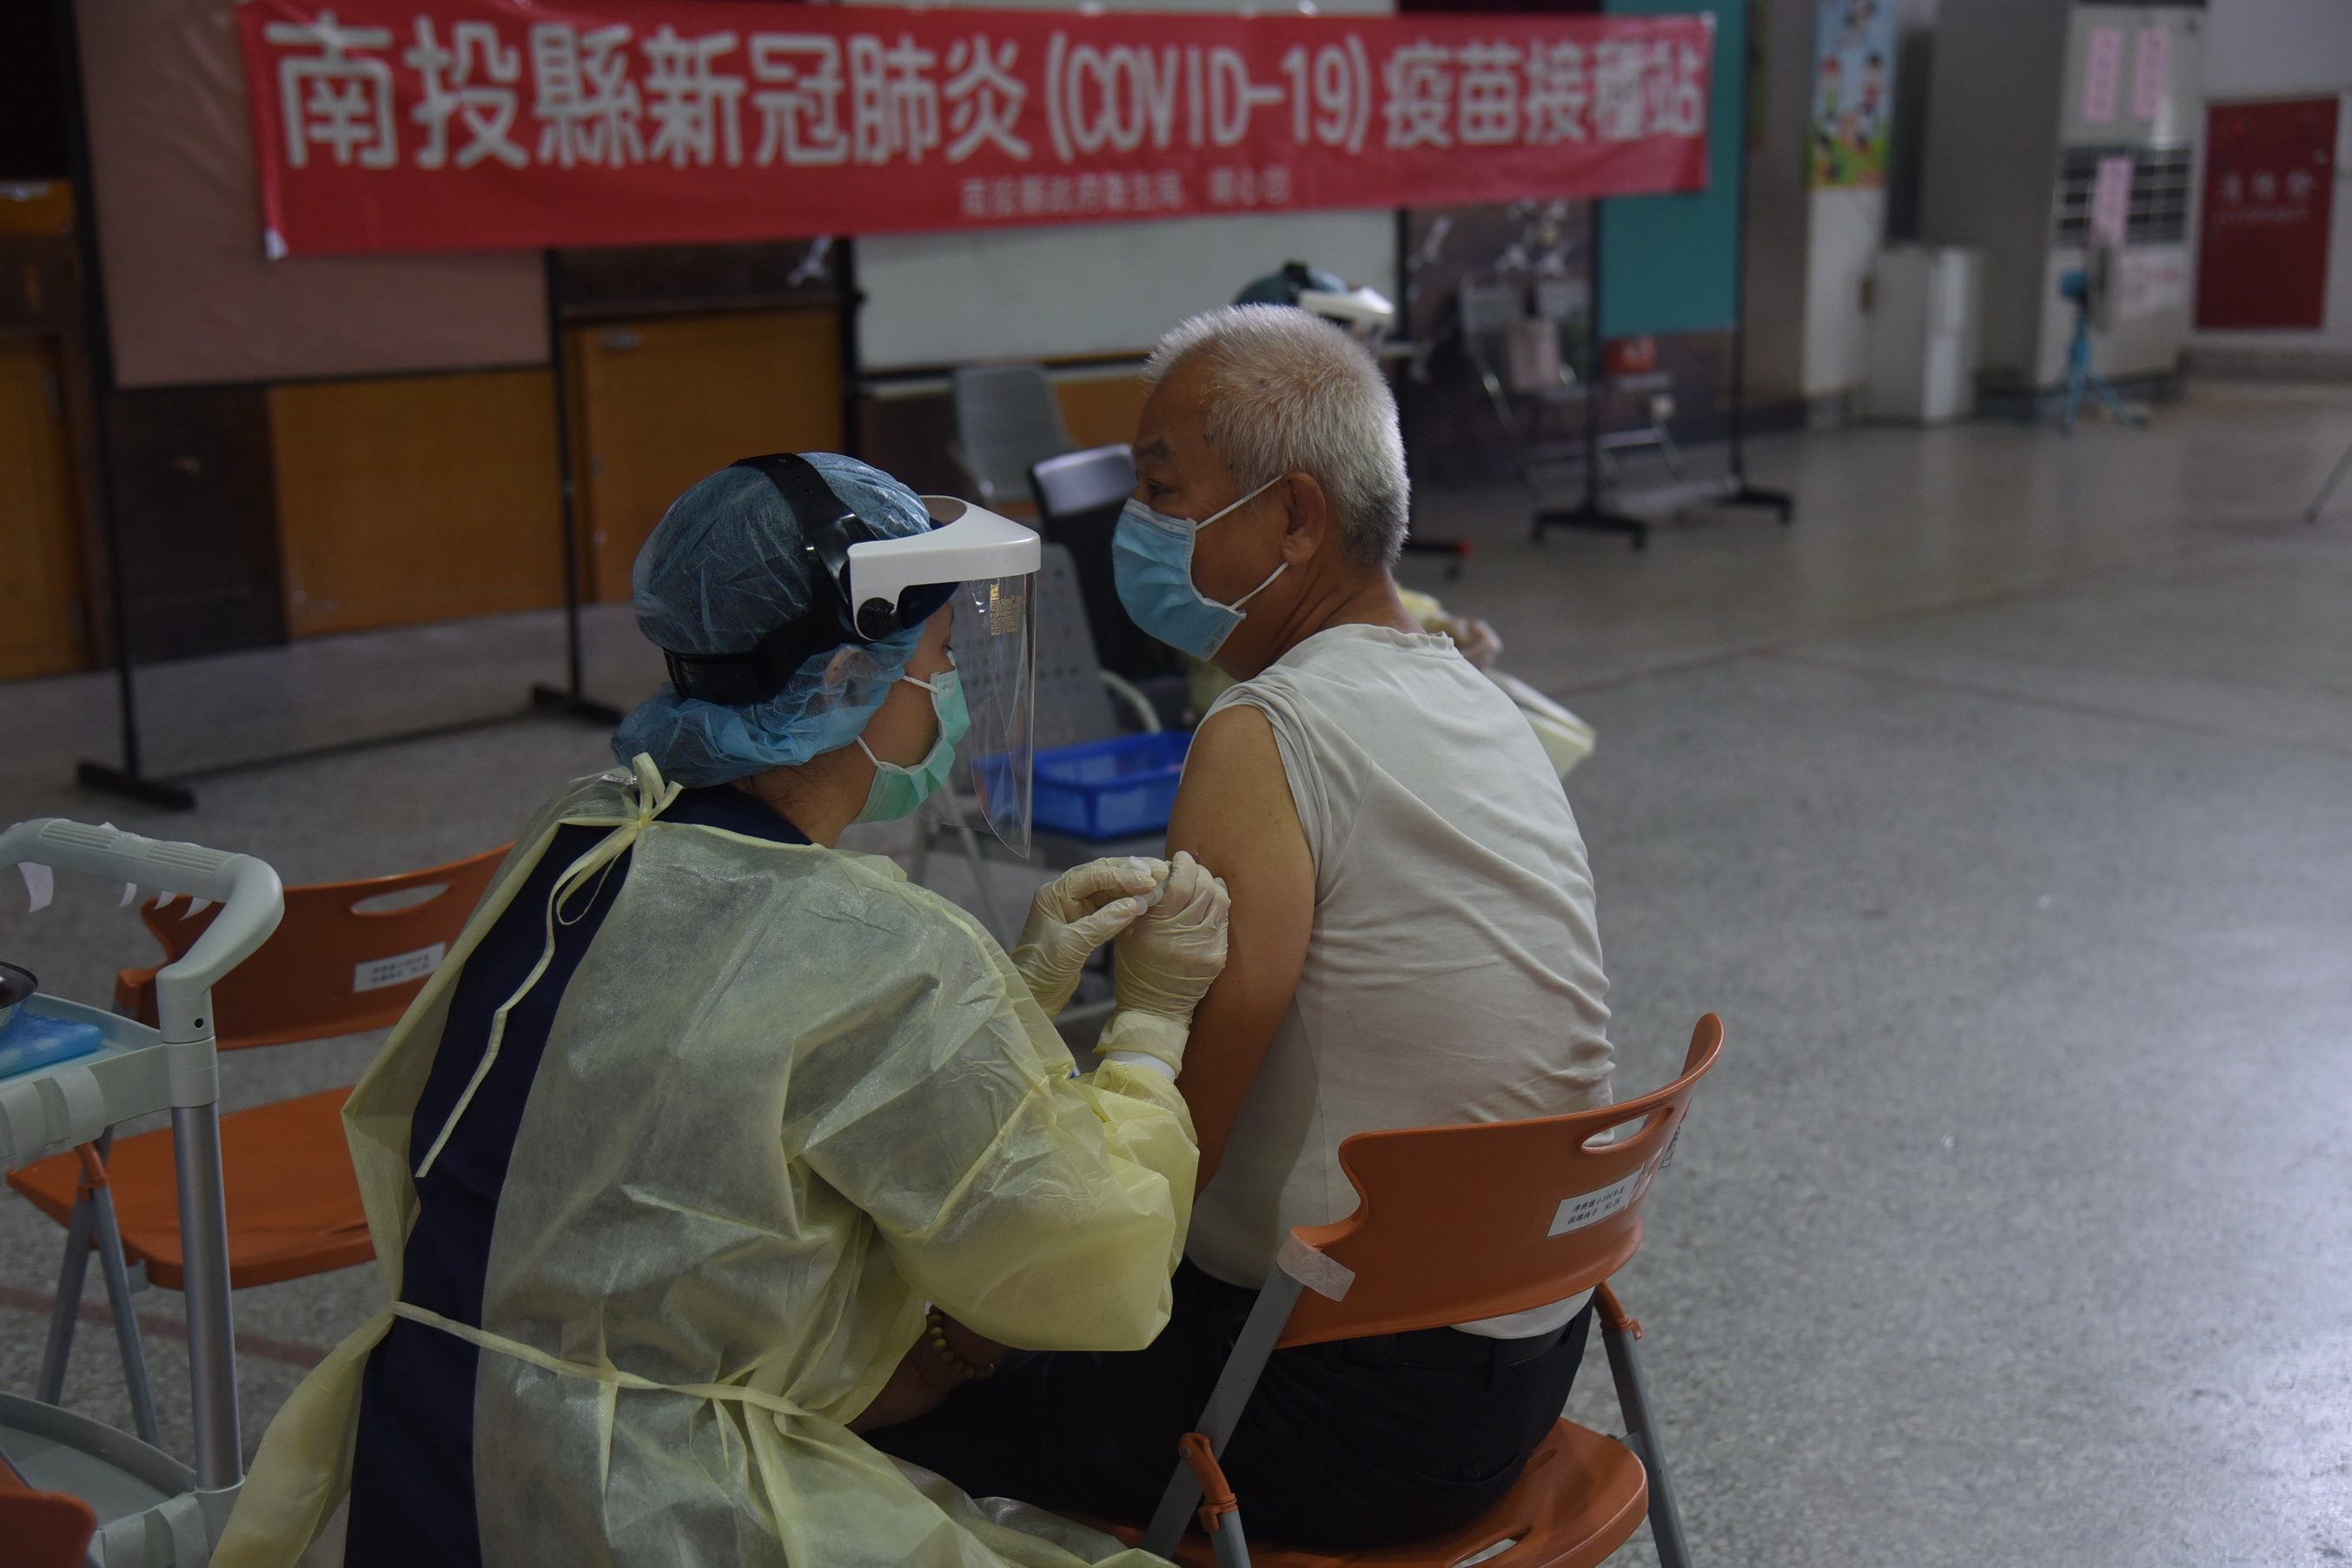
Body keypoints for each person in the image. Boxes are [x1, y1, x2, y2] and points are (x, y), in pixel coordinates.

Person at [215, 453, 1230, 1568]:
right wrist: (1149, 1027)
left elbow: (707, 1096)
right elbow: (1099, 1269)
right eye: (938, 656)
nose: (950, 685)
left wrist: (1010, 1001)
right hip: (649, 1506)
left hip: (432, 1451)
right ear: (851, 674)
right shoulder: (876, 944)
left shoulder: (584, 834)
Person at [871, 307, 1614, 1550]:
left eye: (1162, 490)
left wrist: (955, 1344)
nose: (1135, 528)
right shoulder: (1470, 694)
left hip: (1320, 1405)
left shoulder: (1262, 732)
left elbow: (1168, 1155)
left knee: (865, 1404)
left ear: (1295, 518)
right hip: (1526, 1356)